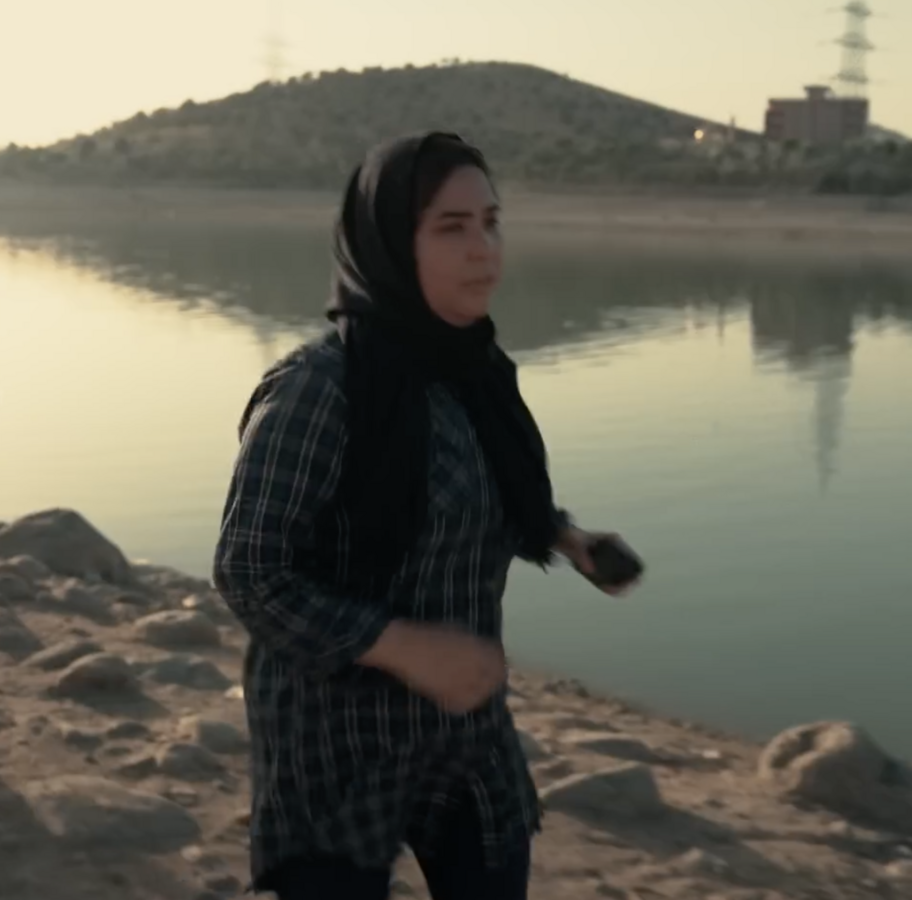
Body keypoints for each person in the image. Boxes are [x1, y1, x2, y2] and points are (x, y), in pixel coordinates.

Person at [212, 133, 641, 900]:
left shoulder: (478, 373)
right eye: (452, 228)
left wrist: (567, 538)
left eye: (492, 222)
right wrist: (400, 646)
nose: (484, 249)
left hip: (464, 734)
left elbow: (487, 495)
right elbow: (249, 571)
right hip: (334, 742)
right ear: (387, 243)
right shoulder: (318, 389)